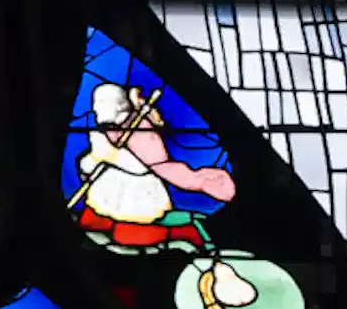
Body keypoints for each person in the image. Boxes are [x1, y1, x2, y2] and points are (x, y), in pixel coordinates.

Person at [70, 86, 232, 249]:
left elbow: (144, 167)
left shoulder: (140, 128)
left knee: (128, 233)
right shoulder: (102, 131)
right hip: (110, 187)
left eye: (101, 103)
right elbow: (93, 158)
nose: (96, 108)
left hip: (136, 190)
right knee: (92, 219)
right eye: (96, 103)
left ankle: (183, 233)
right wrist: (90, 163)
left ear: (119, 105)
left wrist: (114, 156)